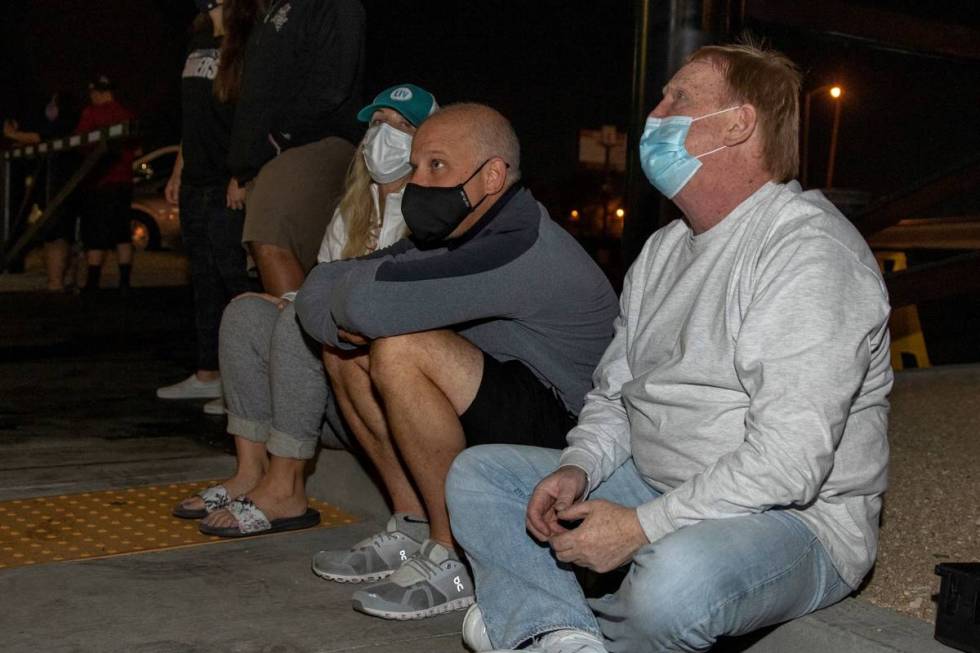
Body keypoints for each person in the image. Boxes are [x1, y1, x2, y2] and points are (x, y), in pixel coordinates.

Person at [446, 43, 893, 653]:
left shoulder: (807, 252)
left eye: (679, 97)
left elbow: (791, 463)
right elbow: (617, 395)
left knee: (675, 585)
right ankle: (557, 634)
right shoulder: (662, 250)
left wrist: (640, 527)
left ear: (738, 123)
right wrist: (579, 466)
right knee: (479, 475)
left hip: (794, 520)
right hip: (659, 482)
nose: (656, 113)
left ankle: (525, 617)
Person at [293, 103, 620, 621]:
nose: (416, 183)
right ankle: (415, 524)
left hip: (574, 436)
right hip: (510, 393)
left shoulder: (517, 247)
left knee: (401, 347)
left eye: (436, 166)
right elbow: (320, 286)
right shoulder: (462, 230)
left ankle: (457, 556)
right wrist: (343, 311)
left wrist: (350, 307)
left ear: (492, 175)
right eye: (416, 166)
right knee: (346, 351)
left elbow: (360, 302)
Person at [173, 84, 438, 532]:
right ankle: (249, 473)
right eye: (377, 123)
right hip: (334, 378)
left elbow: (370, 303)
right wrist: (285, 301)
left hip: (375, 387)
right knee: (245, 314)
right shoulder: (353, 207)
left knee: (301, 324)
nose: (383, 135)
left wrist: (297, 304)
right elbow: (324, 284)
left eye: (402, 126)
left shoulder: (432, 213)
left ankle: (287, 488)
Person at [156, 0, 257, 410]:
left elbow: (249, 114)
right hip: (195, 178)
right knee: (202, 280)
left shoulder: (248, 41)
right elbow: (192, 115)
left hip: (226, 178)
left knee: (235, 279)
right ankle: (207, 374)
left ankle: (247, 388)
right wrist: (179, 168)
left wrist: (242, 172)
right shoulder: (197, 41)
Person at [227, 0, 365, 296]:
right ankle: (295, 337)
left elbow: (332, 85)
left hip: (314, 142)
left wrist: (279, 136)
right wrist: (244, 163)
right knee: (275, 256)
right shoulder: (271, 10)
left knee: (271, 240)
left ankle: (294, 341)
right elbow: (258, 92)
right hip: (268, 157)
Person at [4, 91, 82, 291]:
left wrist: (12, 133)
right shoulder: (69, 122)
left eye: (52, 103)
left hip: (58, 184)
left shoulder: (66, 121)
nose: (49, 108)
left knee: (56, 234)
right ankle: (66, 278)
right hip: (60, 183)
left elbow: (41, 137)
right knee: (65, 233)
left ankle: (55, 282)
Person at [74, 75, 137, 295]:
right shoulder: (126, 115)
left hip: (99, 183)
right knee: (122, 232)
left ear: (99, 93)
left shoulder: (91, 114)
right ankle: (125, 282)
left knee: (95, 233)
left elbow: (80, 143)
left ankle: (92, 283)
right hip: (123, 184)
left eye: (92, 94)